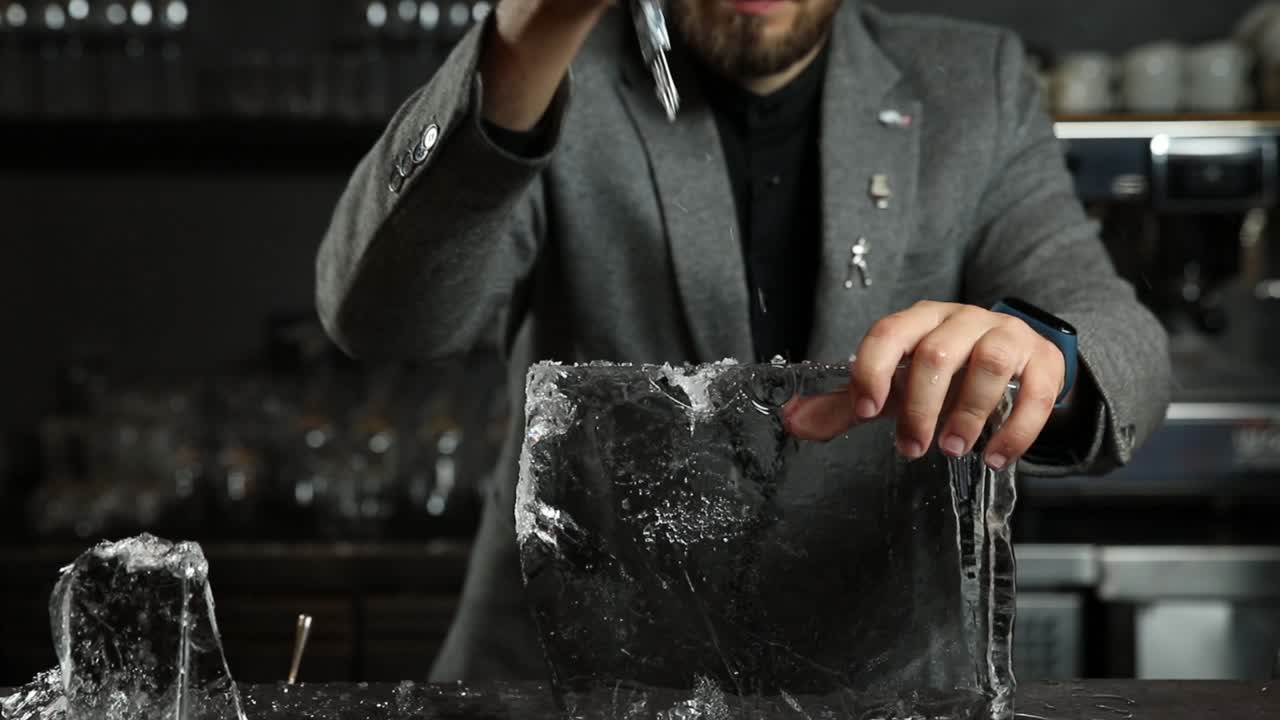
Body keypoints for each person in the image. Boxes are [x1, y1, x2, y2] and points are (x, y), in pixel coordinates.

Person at [316, 0, 1170, 681]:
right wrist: (524, 39)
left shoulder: (973, 80)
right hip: (567, 682)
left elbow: (1111, 327)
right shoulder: (550, 69)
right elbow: (384, 322)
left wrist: (1037, 350)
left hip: (875, 689)